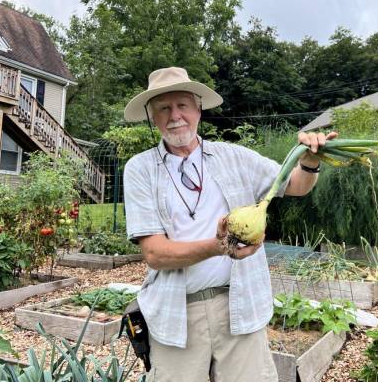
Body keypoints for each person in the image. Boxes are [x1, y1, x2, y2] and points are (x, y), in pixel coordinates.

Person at [123, 67, 336, 382]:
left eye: (182, 105)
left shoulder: (235, 157)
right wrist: (220, 247)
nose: (175, 115)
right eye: (163, 108)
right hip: (176, 310)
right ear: (152, 116)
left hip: (239, 303)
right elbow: (155, 254)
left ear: (198, 108)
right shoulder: (140, 169)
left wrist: (311, 160)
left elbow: (296, 185)